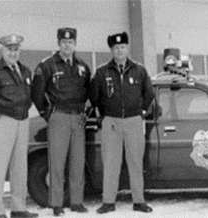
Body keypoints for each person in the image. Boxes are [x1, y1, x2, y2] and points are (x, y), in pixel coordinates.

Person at [90, 32, 155, 214]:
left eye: (123, 47)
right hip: (111, 122)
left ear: (128, 48)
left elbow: (149, 93)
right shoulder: (102, 72)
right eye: (116, 47)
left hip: (134, 121)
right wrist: (103, 114)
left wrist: (141, 112)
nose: (119, 50)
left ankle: (139, 201)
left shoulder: (139, 70)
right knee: (111, 163)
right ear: (111, 50)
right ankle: (108, 201)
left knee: (135, 162)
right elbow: (94, 96)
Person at [0, 34, 38, 218]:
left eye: (16, 49)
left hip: (22, 121)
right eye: (9, 49)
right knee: (0, 167)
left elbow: (29, 95)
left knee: (20, 167)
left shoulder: (25, 70)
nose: (13, 52)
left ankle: (18, 208)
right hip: (3, 121)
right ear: (2, 50)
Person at [31, 28, 91, 216]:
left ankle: (76, 202)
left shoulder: (82, 66)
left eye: (71, 42)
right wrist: (47, 114)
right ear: (58, 43)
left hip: (78, 118)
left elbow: (89, 92)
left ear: (75, 44)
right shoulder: (47, 65)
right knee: (57, 162)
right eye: (63, 42)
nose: (67, 45)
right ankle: (56, 203)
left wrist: (86, 111)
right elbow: (37, 93)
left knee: (77, 161)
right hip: (59, 116)